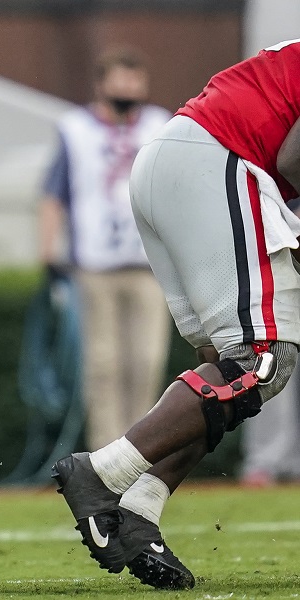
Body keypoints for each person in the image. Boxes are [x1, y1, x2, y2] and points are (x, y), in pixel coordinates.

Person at [52, 39, 300, 591]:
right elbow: (292, 157)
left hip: (180, 160)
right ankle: (103, 473)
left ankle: (141, 510)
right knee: (262, 359)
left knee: (229, 364)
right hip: (219, 160)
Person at [39, 47, 172, 451]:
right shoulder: (75, 129)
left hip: (148, 264)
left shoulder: (159, 124)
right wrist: (49, 252)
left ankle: (143, 449)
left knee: (147, 361)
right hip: (95, 266)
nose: (128, 88)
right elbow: (53, 194)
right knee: (104, 363)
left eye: (135, 79)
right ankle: (107, 452)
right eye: (120, 78)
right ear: (101, 84)